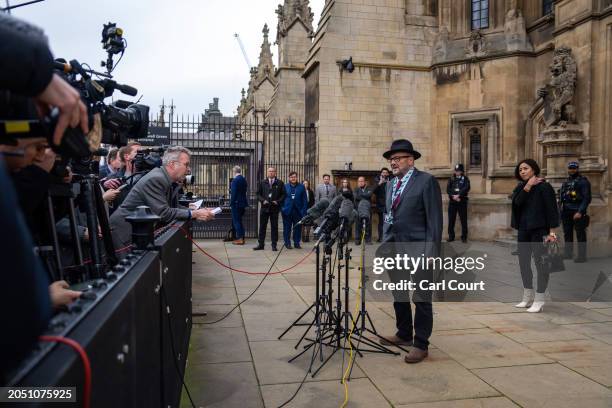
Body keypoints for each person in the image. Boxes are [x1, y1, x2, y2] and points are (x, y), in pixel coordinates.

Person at [378, 139, 442, 364]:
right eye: (391, 159)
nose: (393, 162)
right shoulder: (390, 184)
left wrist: (432, 252)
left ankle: (421, 343)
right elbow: (389, 216)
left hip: (419, 250)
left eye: (397, 158)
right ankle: (404, 333)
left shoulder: (426, 181)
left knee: (422, 298)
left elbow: (435, 219)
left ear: (411, 159)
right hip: (394, 250)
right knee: (399, 294)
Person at [110, 146, 214, 248]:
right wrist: (195, 213)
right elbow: (163, 213)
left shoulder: (164, 177)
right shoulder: (157, 179)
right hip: (123, 233)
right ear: (172, 164)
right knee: (130, 265)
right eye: (186, 165)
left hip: (135, 231)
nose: (188, 169)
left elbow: (172, 206)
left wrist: (200, 212)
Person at [511, 159, 559, 313]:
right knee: (524, 264)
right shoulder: (521, 187)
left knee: (541, 264)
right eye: (520, 170)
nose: (522, 171)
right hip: (524, 230)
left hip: (540, 230)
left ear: (534, 169)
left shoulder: (545, 187)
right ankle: (527, 297)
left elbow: (552, 210)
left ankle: (539, 299)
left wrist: (552, 233)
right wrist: (528, 185)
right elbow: (517, 203)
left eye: (526, 168)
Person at [559, 161, 591, 262]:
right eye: (570, 168)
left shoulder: (583, 181)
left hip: (577, 211)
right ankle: (568, 253)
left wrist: (580, 212)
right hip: (566, 211)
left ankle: (582, 256)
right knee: (567, 233)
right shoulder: (566, 182)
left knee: (580, 234)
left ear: (577, 169)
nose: (572, 170)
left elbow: (587, 198)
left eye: (574, 168)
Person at [254, 167, 286, 251]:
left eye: (272, 171)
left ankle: (274, 245)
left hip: (274, 208)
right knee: (262, 227)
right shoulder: (262, 182)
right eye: (269, 171)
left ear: (275, 172)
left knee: (274, 227)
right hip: (264, 208)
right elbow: (257, 194)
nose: (271, 173)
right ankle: (261, 244)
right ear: (267, 173)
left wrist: (278, 201)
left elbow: (283, 195)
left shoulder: (280, 183)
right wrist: (262, 200)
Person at [281, 172, 308, 249]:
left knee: (298, 228)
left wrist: (303, 211)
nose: (293, 178)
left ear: (297, 178)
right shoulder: (285, 186)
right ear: (289, 178)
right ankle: (287, 243)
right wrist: (282, 209)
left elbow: (305, 200)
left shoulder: (301, 187)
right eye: (292, 177)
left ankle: (296, 243)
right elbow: (281, 198)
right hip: (287, 211)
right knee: (287, 228)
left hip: (298, 211)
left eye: (295, 177)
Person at [446, 163, 471, 242]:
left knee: (463, 220)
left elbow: (466, 188)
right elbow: (448, 189)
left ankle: (464, 237)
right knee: (451, 220)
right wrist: (453, 196)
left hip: (462, 202)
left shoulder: (465, 179)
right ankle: (451, 236)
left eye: (458, 171)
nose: (457, 172)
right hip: (453, 202)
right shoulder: (451, 179)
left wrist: (459, 195)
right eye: (456, 171)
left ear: (462, 171)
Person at [230, 165, 249, 245]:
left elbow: (233, 193)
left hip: (236, 204)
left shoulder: (235, 180)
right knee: (240, 221)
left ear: (234, 172)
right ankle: (242, 237)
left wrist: (231, 203)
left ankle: (240, 239)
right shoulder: (244, 179)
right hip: (243, 203)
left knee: (236, 221)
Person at [354, 176, 373, 245]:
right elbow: (356, 197)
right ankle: (357, 239)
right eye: (359, 181)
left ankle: (368, 240)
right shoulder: (356, 189)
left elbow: (369, 195)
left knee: (368, 225)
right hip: (358, 209)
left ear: (365, 182)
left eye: (362, 181)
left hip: (367, 209)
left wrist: (361, 196)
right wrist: (365, 195)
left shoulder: (369, 188)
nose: (360, 182)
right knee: (358, 225)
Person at [373, 167, 390, 242]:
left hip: (390, 205)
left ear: (388, 174)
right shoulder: (377, 181)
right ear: (381, 174)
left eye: (386, 172)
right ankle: (381, 237)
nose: (384, 174)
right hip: (381, 205)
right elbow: (374, 191)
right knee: (381, 223)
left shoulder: (392, 180)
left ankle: (388, 238)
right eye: (383, 172)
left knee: (389, 222)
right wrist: (380, 183)